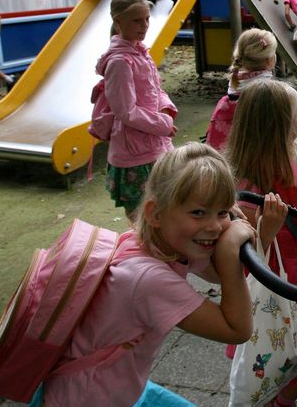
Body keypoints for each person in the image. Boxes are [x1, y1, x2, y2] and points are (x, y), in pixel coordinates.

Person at [37, 143, 257, 406]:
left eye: (222, 212)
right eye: (198, 212)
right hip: (91, 398)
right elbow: (237, 329)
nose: (214, 226)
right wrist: (230, 250)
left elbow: (218, 276)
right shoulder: (148, 280)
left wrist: (253, 235)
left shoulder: (154, 242)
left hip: (113, 385)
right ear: (155, 214)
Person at [223, 79, 297, 407]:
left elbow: (295, 199)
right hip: (271, 288)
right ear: (275, 129)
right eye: (294, 118)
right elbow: (239, 258)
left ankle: (278, 398)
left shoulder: (288, 158)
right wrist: (265, 231)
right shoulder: (244, 193)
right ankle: (277, 401)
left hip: (295, 273)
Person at [95, 0, 177, 220]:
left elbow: (155, 89)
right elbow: (125, 111)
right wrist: (163, 124)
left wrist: (165, 109)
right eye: (136, 20)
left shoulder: (140, 51)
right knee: (143, 216)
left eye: (146, 19)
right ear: (118, 21)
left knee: (166, 208)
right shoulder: (120, 62)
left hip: (155, 141)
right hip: (135, 153)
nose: (144, 26)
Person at [205, 28, 276, 153]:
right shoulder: (269, 91)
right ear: (269, 60)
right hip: (256, 151)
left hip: (226, 150)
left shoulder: (234, 84)